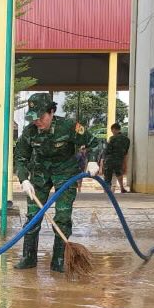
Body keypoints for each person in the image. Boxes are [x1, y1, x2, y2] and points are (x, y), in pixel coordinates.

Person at [12, 92, 98, 272]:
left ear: (51, 112)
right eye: (34, 118)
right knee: (33, 216)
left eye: (41, 117)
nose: (38, 122)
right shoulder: (29, 132)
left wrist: (93, 160)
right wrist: (23, 179)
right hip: (40, 174)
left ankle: (59, 260)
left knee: (62, 216)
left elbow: (94, 143)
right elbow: (20, 157)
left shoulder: (68, 126)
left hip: (66, 173)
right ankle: (29, 258)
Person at [99, 122, 130, 193]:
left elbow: (107, 150)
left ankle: (107, 191)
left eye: (112, 131)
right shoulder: (127, 140)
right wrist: (125, 164)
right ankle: (122, 188)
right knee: (119, 173)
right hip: (119, 160)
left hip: (110, 160)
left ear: (114, 129)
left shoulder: (112, 138)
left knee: (107, 176)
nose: (112, 133)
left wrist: (102, 161)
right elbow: (126, 153)